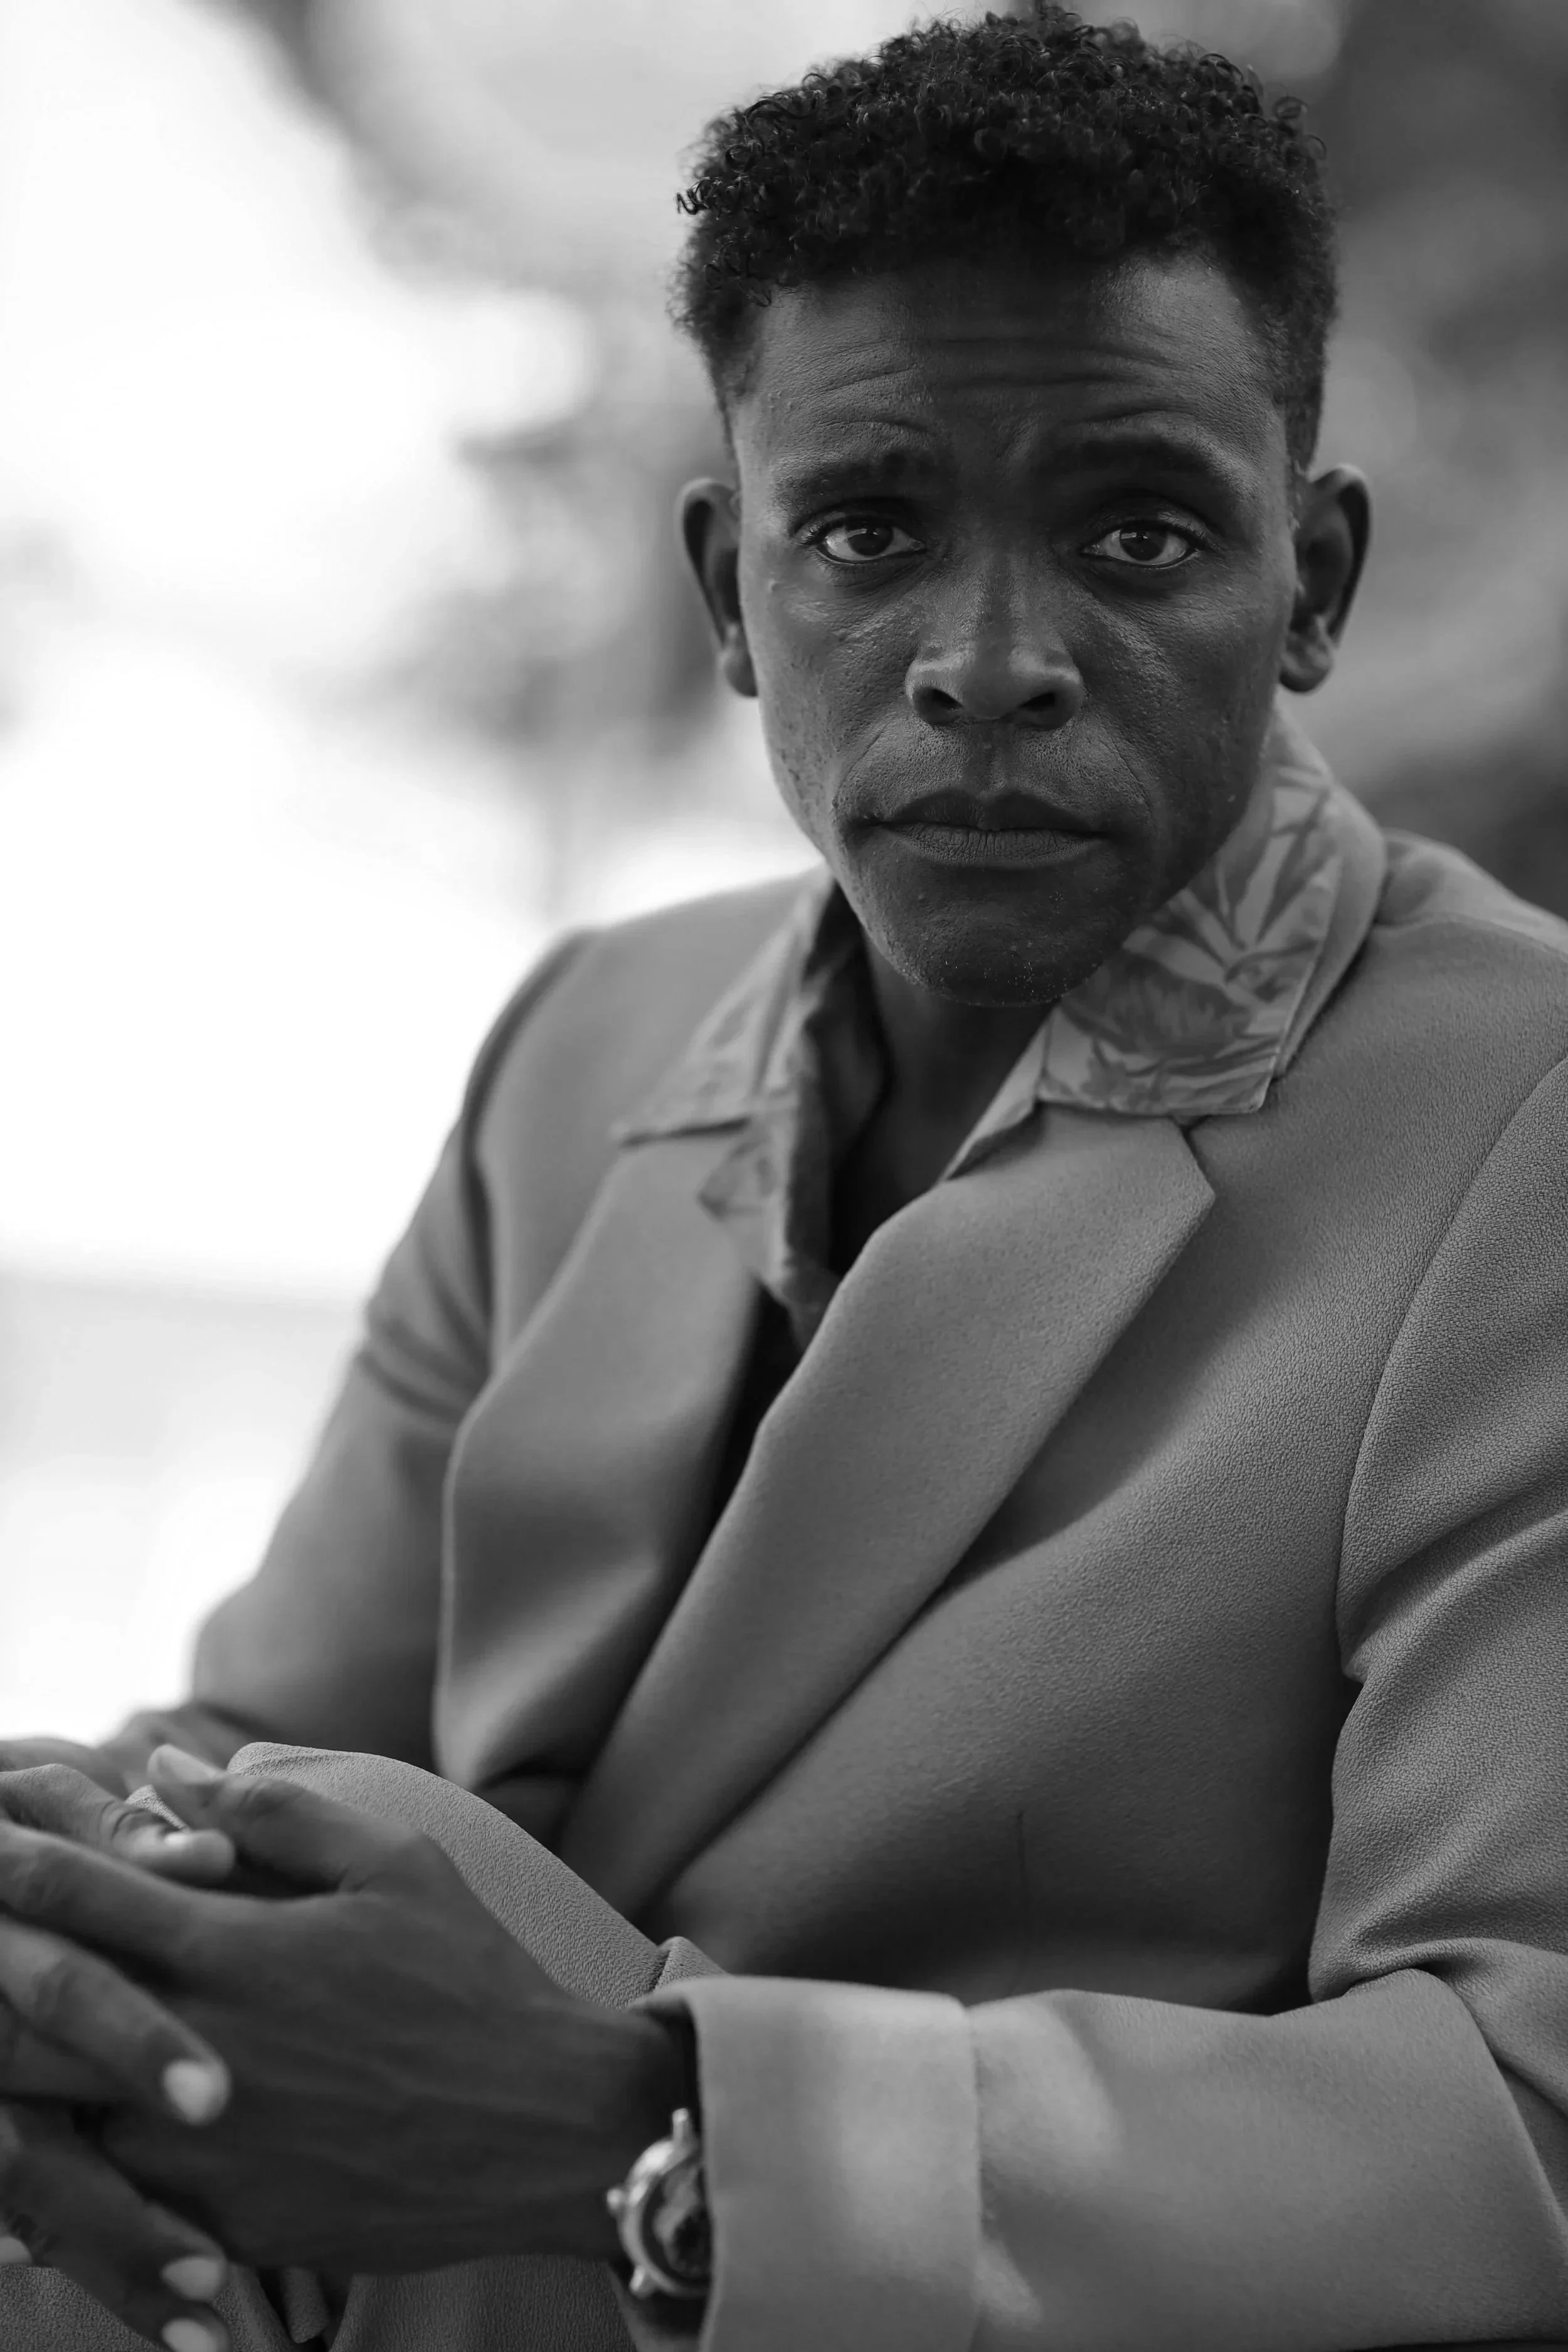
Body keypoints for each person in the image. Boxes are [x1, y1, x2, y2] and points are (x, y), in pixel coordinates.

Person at [3, 6, 1567, 2349]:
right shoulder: (591, 1034)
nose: (989, 662)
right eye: (865, 533)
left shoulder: (1521, 1127)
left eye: (1137, 531)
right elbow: (273, 1744)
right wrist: (64, 1926)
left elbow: (1520, 2115)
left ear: (1311, 578)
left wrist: (630, 2125)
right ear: (732, 592)